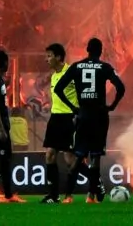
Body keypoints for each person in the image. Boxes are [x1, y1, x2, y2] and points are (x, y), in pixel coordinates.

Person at [54, 38, 126, 204]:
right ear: (101, 51)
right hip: (99, 117)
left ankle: (68, 196)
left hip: (83, 116)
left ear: (87, 50)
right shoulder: (105, 67)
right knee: (95, 158)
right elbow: (121, 87)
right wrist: (112, 105)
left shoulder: (76, 67)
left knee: (78, 157)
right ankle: (91, 197)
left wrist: (73, 108)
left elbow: (58, 89)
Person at [41, 43, 100, 204]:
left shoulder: (71, 73)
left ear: (59, 57)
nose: (46, 59)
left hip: (69, 118)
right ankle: (53, 195)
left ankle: (96, 182)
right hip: (55, 118)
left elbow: (82, 93)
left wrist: (80, 112)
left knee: (70, 159)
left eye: (49, 56)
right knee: (50, 154)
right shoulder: (54, 76)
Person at [0, 50, 26, 203]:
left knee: (1, 159)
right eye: (7, 62)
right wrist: (1, 129)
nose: (8, 65)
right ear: (3, 63)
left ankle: (3, 195)